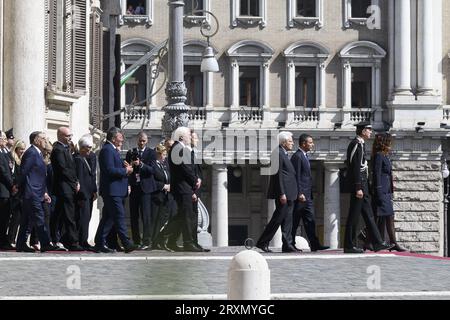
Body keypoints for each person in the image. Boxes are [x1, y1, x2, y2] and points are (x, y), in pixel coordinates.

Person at [343, 121, 394, 254]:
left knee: (369, 216)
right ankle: (349, 245)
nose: (371, 132)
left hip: (363, 184)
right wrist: (358, 187)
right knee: (353, 217)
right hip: (359, 185)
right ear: (363, 131)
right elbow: (354, 167)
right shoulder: (355, 144)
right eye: (369, 130)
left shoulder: (361, 144)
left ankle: (377, 243)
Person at [94, 127, 137, 253]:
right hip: (112, 191)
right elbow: (109, 170)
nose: (122, 139)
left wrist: (125, 167)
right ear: (113, 138)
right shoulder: (107, 150)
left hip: (116, 190)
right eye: (120, 137)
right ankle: (127, 243)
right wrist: (126, 171)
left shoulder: (113, 150)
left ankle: (99, 243)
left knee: (108, 218)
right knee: (118, 216)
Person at [160, 127, 202, 252]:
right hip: (182, 188)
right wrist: (195, 180)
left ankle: (171, 241)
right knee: (186, 216)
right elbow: (185, 168)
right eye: (189, 135)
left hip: (183, 187)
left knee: (182, 216)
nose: (190, 137)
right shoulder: (178, 148)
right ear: (182, 137)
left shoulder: (178, 148)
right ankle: (186, 242)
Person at [16, 132, 59, 253]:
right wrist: (17, 185)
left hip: (37, 191)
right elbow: (24, 171)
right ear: (36, 140)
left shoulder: (38, 153)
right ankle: (45, 243)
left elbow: (39, 176)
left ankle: (21, 244)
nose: (46, 141)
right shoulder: (31, 153)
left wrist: (44, 192)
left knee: (26, 219)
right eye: (43, 138)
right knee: (39, 218)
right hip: (31, 192)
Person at [256, 131, 298, 253]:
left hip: (290, 193)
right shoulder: (277, 153)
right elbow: (277, 175)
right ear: (283, 142)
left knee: (287, 220)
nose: (292, 143)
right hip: (284, 193)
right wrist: (281, 193)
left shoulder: (283, 153)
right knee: (277, 219)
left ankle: (287, 244)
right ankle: (263, 242)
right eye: (290, 141)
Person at [290, 134, 329, 252]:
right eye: (310, 142)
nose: (312, 144)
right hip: (301, 196)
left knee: (310, 221)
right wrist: (299, 192)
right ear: (303, 144)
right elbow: (295, 176)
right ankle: (289, 244)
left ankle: (315, 244)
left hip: (307, 196)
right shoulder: (297, 156)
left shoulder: (304, 156)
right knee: (294, 221)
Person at [372, 133, 407, 252]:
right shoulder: (379, 156)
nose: (391, 144)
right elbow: (376, 174)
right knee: (387, 217)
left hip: (386, 192)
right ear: (385, 143)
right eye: (389, 142)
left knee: (382, 218)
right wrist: (378, 191)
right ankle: (393, 243)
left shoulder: (385, 156)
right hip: (381, 191)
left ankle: (377, 242)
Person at [50, 127, 83, 251]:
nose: (70, 138)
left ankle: (58, 239)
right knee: (69, 215)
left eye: (71, 135)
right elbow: (63, 169)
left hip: (69, 186)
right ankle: (73, 242)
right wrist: (74, 182)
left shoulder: (67, 149)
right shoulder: (58, 150)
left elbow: (72, 168)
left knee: (59, 215)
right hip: (64, 187)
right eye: (68, 136)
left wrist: (77, 181)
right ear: (60, 136)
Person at [125, 132, 157, 250]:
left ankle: (147, 241)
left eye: (143, 141)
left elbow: (152, 170)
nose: (141, 143)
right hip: (134, 187)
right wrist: (130, 166)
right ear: (137, 140)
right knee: (134, 215)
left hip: (146, 189)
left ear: (147, 141)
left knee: (146, 216)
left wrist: (141, 165)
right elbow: (127, 169)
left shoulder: (151, 153)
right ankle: (136, 240)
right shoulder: (131, 152)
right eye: (140, 140)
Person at [74, 135, 98, 251]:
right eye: (87, 147)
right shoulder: (78, 158)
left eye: (90, 147)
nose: (90, 150)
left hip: (89, 192)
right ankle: (81, 241)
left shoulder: (89, 157)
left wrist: (94, 190)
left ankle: (85, 240)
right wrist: (81, 193)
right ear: (82, 147)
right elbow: (79, 178)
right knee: (82, 218)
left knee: (87, 217)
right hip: (82, 193)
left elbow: (92, 175)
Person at [190, 131, 210, 252]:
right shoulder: (186, 153)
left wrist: (199, 179)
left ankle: (194, 242)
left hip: (195, 189)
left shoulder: (194, 153)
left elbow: (198, 172)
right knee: (188, 217)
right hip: (190, 190)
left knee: (192, 217)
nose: (197, 140)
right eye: (195, 138)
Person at [151, 144, 173, 248]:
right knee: (156, 220)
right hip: (157, 196)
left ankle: (160, 240)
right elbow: (152, 181)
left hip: (166, 197)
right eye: (163, 155)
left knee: (163, 220)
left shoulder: (164, 165)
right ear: (159, 155)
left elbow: (169, 177)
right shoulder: (153, 165)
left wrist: (170, 185)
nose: (165, 157)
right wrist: (163, 186)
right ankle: (154, 241)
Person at [7, 140, 26, 247]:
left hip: (20, 193)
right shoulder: (12, 159)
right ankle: (10, 239)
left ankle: (13, 239)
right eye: (21, 149)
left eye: (24, 149)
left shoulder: (21, 160)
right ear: (16, 148)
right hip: (13, 192)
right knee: (14, 219)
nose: (22, 151)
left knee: (18, 218)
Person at [0, 131, 17, 250]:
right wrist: (12, 185)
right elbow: (3, 172)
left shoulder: (6, 153)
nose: (5, 140)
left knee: (6, 218)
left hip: (8, 190)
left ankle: (3, 240)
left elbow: (11, 170)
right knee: (2, 217)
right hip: (3, 189)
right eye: (3, 138)